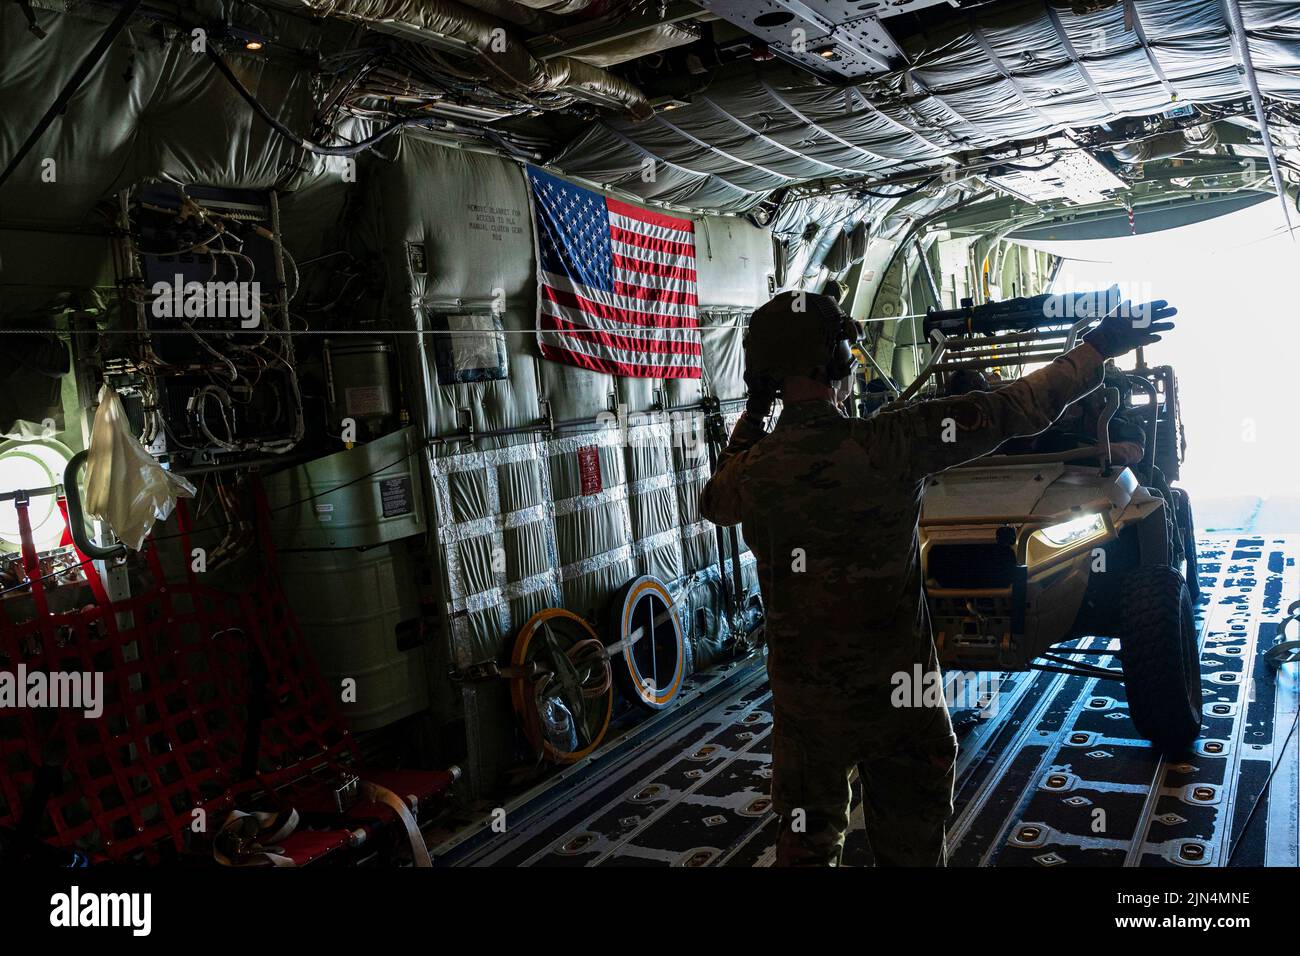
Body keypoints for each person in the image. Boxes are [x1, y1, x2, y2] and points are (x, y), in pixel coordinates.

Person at [699, 291, 1175, 866]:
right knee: (912, 851)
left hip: (806, 711)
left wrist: (754, 411)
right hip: (901, 701)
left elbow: (715, 499)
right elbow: (1015, 408)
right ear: (840, 361)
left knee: (805, 846)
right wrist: (1098, 346)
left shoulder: (751, 471)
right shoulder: (891, 443)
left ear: (768, 376)